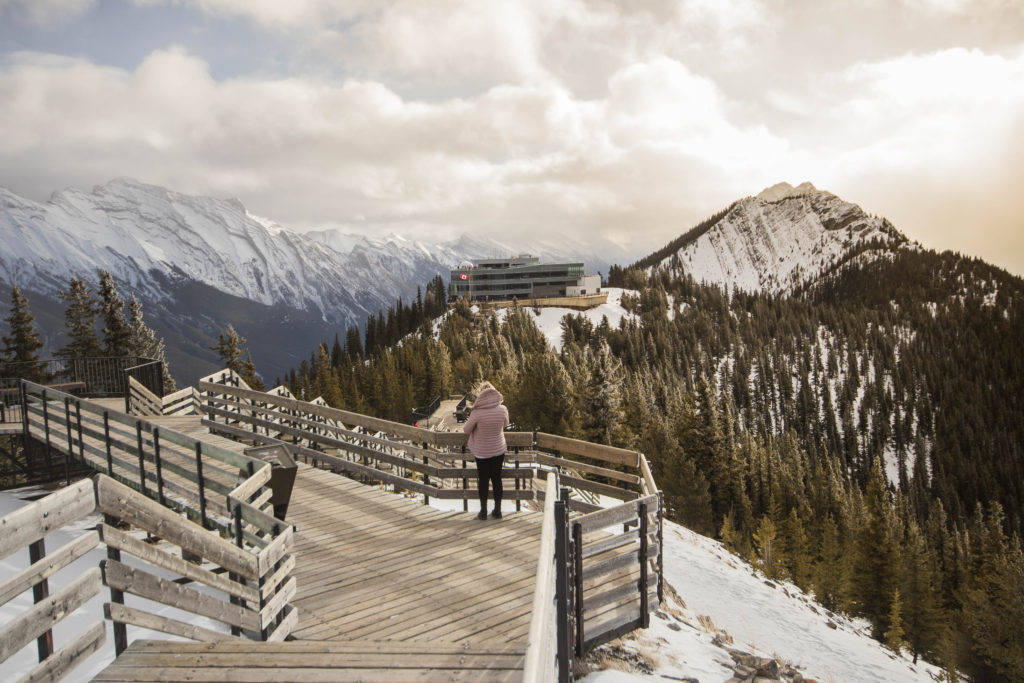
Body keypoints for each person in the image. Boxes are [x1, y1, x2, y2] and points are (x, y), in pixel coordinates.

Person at [463, 381, 510, 520]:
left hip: (482, 452)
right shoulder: (503, 409)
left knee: (483, 481)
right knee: (497, 479)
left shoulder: (477, 412)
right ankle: (498, 510)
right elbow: (506, 423)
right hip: (498, 450)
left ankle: (483, 511)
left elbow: (466, 430)